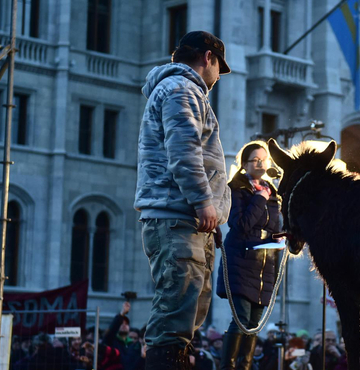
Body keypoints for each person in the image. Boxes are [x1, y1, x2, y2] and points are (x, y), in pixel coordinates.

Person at [135, 28, 232, 369]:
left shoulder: (184, 90)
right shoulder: (182, 89)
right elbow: (185, 152)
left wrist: (213, 213)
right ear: (209, 57)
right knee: (175, 315)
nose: (219, 75)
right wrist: (206, 203)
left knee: (186, 312)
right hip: (177, 216)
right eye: (220, 66)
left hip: (187, 218)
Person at [216, 141, 283, 370]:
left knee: (254, 324)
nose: (261, 163)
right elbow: (241, 224)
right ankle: (228, 366)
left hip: (263, 266)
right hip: (241, 261)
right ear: (244, 164)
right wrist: (260, 199)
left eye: (264, 159)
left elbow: (271, 225)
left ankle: (244, 366)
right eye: (256, 160)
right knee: (242, 319)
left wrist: (279, 237)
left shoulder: (272, 192)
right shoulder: (237, 189)